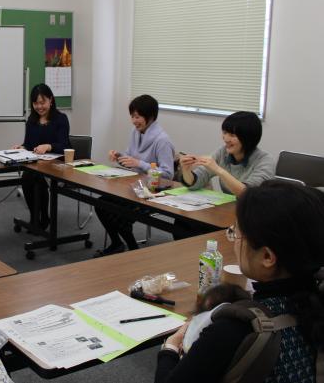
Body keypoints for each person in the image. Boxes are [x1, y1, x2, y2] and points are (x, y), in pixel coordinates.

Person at [155, 180, 324, 382]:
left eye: (236, 232)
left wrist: (171, 347)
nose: (234, 241)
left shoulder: (235, 329)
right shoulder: (315, 302)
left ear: (267, 257)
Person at [94, 95, 175, 257]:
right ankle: (117, 243)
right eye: (132, 116)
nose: (134, 120)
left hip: (152, 192)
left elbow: (168, 174)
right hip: (134, 186)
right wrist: (119, 156)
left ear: (150, 116)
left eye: (138, 116)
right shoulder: (136, 132)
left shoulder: (162, 140)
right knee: (101, 204)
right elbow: (130, 158)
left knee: (120, 216)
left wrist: (139, 164)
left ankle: (132, 251)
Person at [13, 83, 70, 228]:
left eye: (42, 102)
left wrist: (48, 146)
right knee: (27, 177)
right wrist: (21, 147)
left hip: (59, 163)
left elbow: (64, 145)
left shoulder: (61, 119)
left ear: (51, 100)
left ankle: (44, 217)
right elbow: (29, 144)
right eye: (35, 103)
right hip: (38, 164)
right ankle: (34, 216)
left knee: (36, 178)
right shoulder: (32, 121)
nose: (39, 107)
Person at [179, 111, 275, 196]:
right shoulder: (222, 152)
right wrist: (186, 170)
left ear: (248, 138)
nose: (226, 139)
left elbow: (248, 195)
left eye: (232, 135)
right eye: (224, 133)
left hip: (254, 212)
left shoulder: (265, 161)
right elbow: (195, 183)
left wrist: (218, 169)